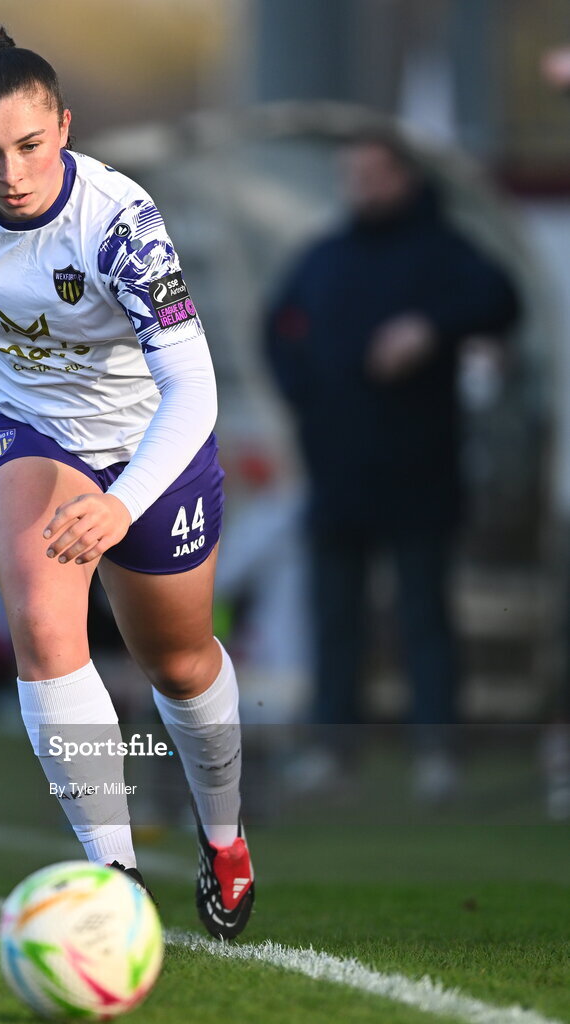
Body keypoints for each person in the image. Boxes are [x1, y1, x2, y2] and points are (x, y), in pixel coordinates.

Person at [0, 24, 252, 939]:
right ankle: (115, 876)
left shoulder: (122, 226)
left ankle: (224, 835)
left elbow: (195, 388)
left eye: (28, 145)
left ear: (65, 125)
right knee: (42, 623)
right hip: (23, 429)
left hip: (148, 451)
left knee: (177, 663)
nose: (10, 173)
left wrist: (122, 502)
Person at [263, 132, 520, 801]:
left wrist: (430, 329)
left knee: (423, 617)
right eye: (354, 173)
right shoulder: (325, 256)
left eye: (377, 173)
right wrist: (309, 401)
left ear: (405, 176)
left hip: (420, 468)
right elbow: (278, 330)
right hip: (338, 470)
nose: (364, 186)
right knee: (335, 618)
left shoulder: (443, 252)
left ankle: (437, 750)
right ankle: (332, 750)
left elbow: (501, 298)